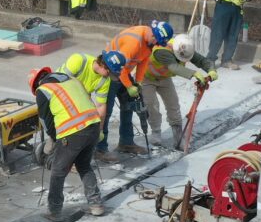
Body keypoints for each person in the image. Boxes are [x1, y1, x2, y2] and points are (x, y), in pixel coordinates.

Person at [30, 66, 105, 220]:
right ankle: (96, 204)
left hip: (73, 131)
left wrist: (53, 139)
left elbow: (46, 119)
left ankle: (55, 211)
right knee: (84, 165)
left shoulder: (43, 90)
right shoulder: (72, 80)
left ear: (36, 83)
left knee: (58, 171)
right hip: (94, 125)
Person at [106, 20, 175, 155]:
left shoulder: (149, 42)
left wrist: (137, 82)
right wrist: (129, 86)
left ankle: (126, 143)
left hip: (123, 73)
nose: (155, 44)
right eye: (156, 41)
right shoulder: (134, 43)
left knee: (129, 106)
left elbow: (143, 63)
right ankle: (100, 149)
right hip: (110, 71)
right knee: (106, 112)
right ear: (154, 35)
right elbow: (121, 69)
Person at [145, 35, 219, 149]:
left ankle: (178, 136)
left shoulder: (185, 48)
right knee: (152, 105)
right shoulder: (161, 50)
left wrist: (211, 70)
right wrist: (193, 73)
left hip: (164, 78)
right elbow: (174, 67)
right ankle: (156, 132)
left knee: (173, 104)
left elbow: (202, 61)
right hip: (147, 77)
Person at [60, 51, 123, 163]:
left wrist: (99, 130)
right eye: (110, 72)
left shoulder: (105, 80)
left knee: (89, 121)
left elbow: (101, 106)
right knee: (74, 125)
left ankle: (91, 152)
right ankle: (67, 159)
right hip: (59, 93)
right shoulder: (79, 60)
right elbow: (61, 83)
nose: (110, 76)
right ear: (104, 66)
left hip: (79, 98)